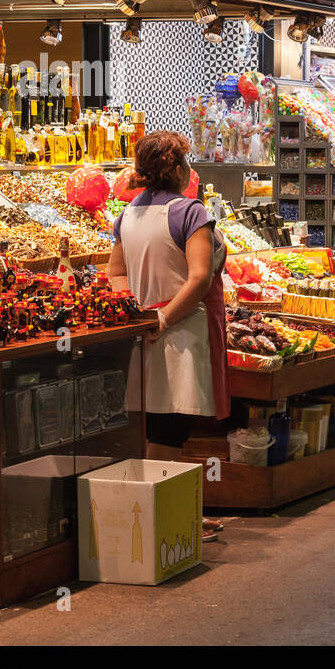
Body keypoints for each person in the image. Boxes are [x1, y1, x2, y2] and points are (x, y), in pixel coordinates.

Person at [109, 131, 228, 542]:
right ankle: (169, 519)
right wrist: (164, 318)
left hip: (146, 334)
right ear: (177, 169)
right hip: (180, 333)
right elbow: (198, 277)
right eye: (187, 162)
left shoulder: (127, 215)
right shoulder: (190, 212)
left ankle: (183, 510)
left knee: (157, 424)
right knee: (170, 429)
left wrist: (137, 311)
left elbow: (116, 272)